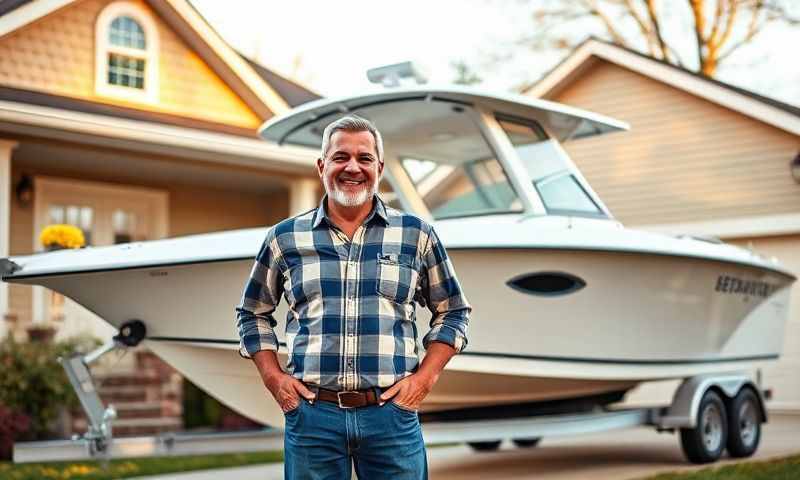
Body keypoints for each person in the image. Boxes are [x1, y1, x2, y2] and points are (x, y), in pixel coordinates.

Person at [235, 115, 471, 479]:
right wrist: (273, 379)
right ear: (322, 165)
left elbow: (453, 311)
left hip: (391, 415)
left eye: (364, 158)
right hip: (313, 416)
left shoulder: (416, 234)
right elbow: (252, 313)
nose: (352, 167)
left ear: (379, 167)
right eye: (341, 157)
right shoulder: (284, 238)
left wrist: (424, 379)